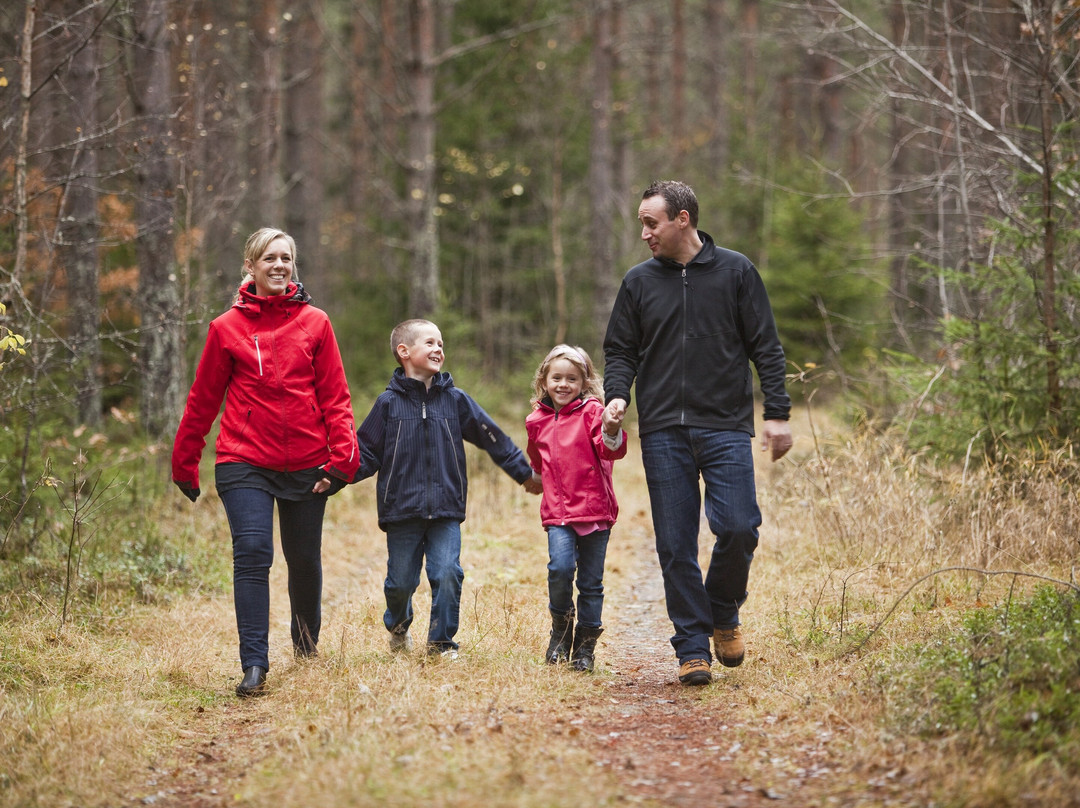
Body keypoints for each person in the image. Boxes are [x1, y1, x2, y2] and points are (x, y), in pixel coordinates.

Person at [602, 180, 793, 687]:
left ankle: (724, 610)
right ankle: (691, 647)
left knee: (737, 526)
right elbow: (620, 349)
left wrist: (777, 413)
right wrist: (616, 393)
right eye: (642, 223)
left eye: (651, 223)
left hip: (726, 424)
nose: (644, 233)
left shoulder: (736, 271)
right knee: (675, 543)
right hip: (663, 428)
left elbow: (766, 348)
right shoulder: (639, 282)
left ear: (682, 219)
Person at [171, 227, 359, 698]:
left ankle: (306, 645)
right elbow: (203, 400)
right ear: (250, 267)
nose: (279, 265)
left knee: (303, 559)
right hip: (244, 459)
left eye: (287, 258)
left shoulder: (316, 323)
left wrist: (341, 461)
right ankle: (254, 664)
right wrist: (185, 462)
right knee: (252, 554)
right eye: (270, 258)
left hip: (307, 459)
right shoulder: (225, 329)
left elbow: (335, 396)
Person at [353, 319, 542, 658]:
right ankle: (398, 626)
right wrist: (332, 476)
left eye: (441, 343)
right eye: (430, 343)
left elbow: (492, 436)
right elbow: (365, 452)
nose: (439, 348)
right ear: (405, 352)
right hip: (401, 510)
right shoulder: (387, 404)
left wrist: (523, 473)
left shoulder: (455, 400)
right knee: (400, 583)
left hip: (446, 508)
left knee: (447, 573)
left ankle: (441, 643)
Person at [525, 344, 627, 673]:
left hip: (595, 510)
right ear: (544, 380)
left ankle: (585, 647)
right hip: (558, 513)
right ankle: (560, 631)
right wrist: (534, 478)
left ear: (584, 383)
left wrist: (611, 428)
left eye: (572, 379)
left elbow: (611, 450)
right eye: (557, 378)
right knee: (559, 569)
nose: (564, 385)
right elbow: (537, 460)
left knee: (591, 583)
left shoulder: (593, 412)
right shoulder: (536, 420)